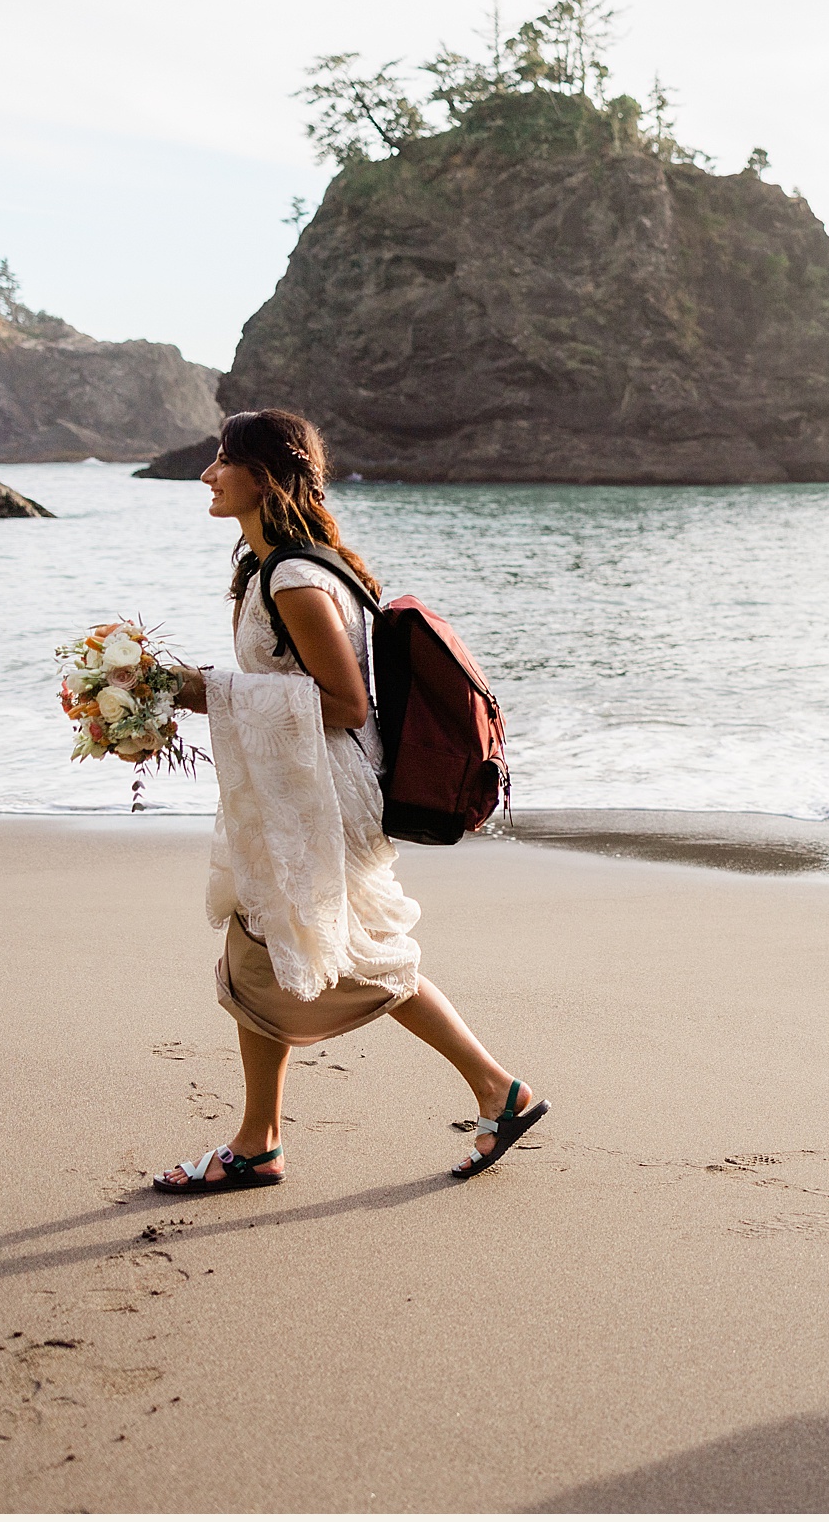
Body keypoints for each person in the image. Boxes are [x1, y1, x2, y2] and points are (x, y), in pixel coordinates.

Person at [152, 408, 545, 1192]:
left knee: (343, 958)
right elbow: (287, 690)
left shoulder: (295, 575)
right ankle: (263, 1138)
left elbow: (343, 703)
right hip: (304, 795)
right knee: (263, 950)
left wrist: (208, 694)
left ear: (263, 475)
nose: (207, 473)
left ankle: (495, 1091)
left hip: (325, 801)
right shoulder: (280, 567)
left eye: (222, 460)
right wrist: (188, 691)